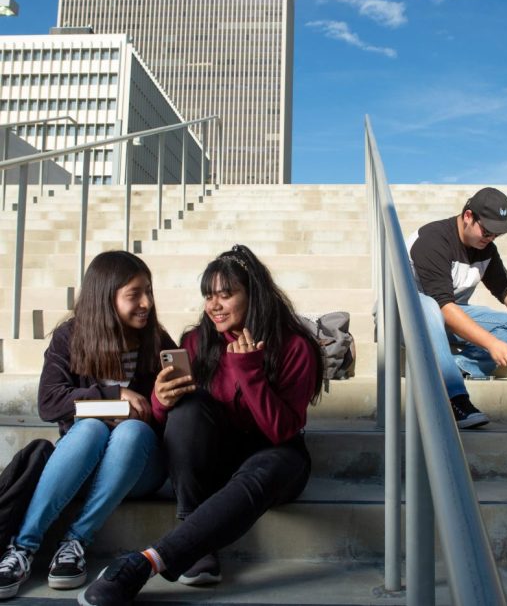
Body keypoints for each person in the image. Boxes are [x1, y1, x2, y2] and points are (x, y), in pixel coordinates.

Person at [78, 244, 323, 605]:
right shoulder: (196, 341)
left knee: (268, 464)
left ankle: (145, 562)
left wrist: (249, 371)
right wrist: (160, 401)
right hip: (217, 460)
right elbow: (174, 427)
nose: (215, 306)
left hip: (276, 458)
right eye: (209, 296)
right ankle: (192, 523)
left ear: (253, 295)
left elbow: (281, 431)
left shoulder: (295, 346)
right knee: (189, 408)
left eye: (226, 295)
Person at [0, 251, 175, 600]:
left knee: (131, 430)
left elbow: (173, 413)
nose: (146, 303)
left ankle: (76, 540)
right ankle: (23, 547)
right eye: (134, 294)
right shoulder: (70, 337)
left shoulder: (155, 340)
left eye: (149, 292)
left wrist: (160, 400)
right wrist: (112, 395)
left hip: (139, 468)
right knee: (92, 427)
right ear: (105, 298)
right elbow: (49, 402)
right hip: (79, 466)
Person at [407, 187, 507, 429]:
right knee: (430, 306)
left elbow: (506, 288)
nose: (490, 237)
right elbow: (442, 308)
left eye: (497, 233)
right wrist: (491, 343)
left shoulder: (486, 249)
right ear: (468, 216)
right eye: (487, 230)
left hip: (449, 313)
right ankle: (455, 398)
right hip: (406, 316)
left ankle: (457, 365)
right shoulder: (432, 240)